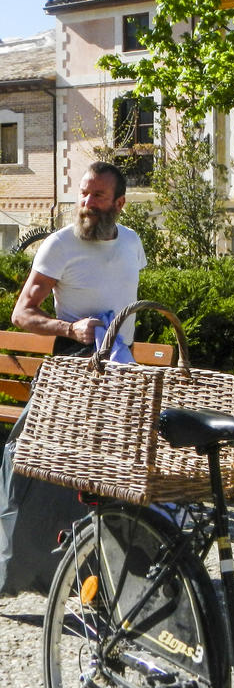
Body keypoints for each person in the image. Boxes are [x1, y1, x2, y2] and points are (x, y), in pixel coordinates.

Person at [0, 161, 146, 595]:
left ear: (119, 203)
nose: (86, 203)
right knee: (43, 473)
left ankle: (109, 576)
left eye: (98, 196)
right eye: (83, 193)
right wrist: (70, 328)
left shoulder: (132, 243)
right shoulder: (59, 245)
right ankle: (26, 571)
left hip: (118, 372)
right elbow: (21, 314)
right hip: (72, 368)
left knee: (113, 477)